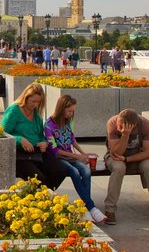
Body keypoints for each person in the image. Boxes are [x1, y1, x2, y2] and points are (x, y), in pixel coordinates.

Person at [45, 95, 106, 223]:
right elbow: (55, 150)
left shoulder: (68, 122)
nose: (71, 114)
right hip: (58, 158)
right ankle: (91, 208)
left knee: (86, 171)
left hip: (70, 156)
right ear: (61, 109)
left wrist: (84, 154)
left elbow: (72, 139)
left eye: (73, 111)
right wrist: (78, 156)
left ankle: (86, 208)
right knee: (75, 172)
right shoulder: (49, 125)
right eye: (69, 111)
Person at [103, 109, 149, 225]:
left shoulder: (145, 124)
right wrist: (125, 135)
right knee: (119, 168)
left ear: (133, 126)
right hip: (115, 156)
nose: (119, 128)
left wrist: (128, 159)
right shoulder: (112, 123)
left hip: (139, 155)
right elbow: (116, 153)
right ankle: (110, 210)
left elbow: (148, 152)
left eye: (122, 127)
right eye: (119, 125)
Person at [2, 83, 64, 189]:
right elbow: (2, 133)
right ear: (25, 98)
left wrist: (44, 142)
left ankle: (43, 196)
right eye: (33, 101)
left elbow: (40, 135)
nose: (35, 105)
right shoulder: (14, 110)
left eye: (38, 102)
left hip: (36, 152)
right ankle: (44, 196)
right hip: (19, 155)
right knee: (39, 179)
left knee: (60, 171)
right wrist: (19, 139)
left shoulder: (36, 113)